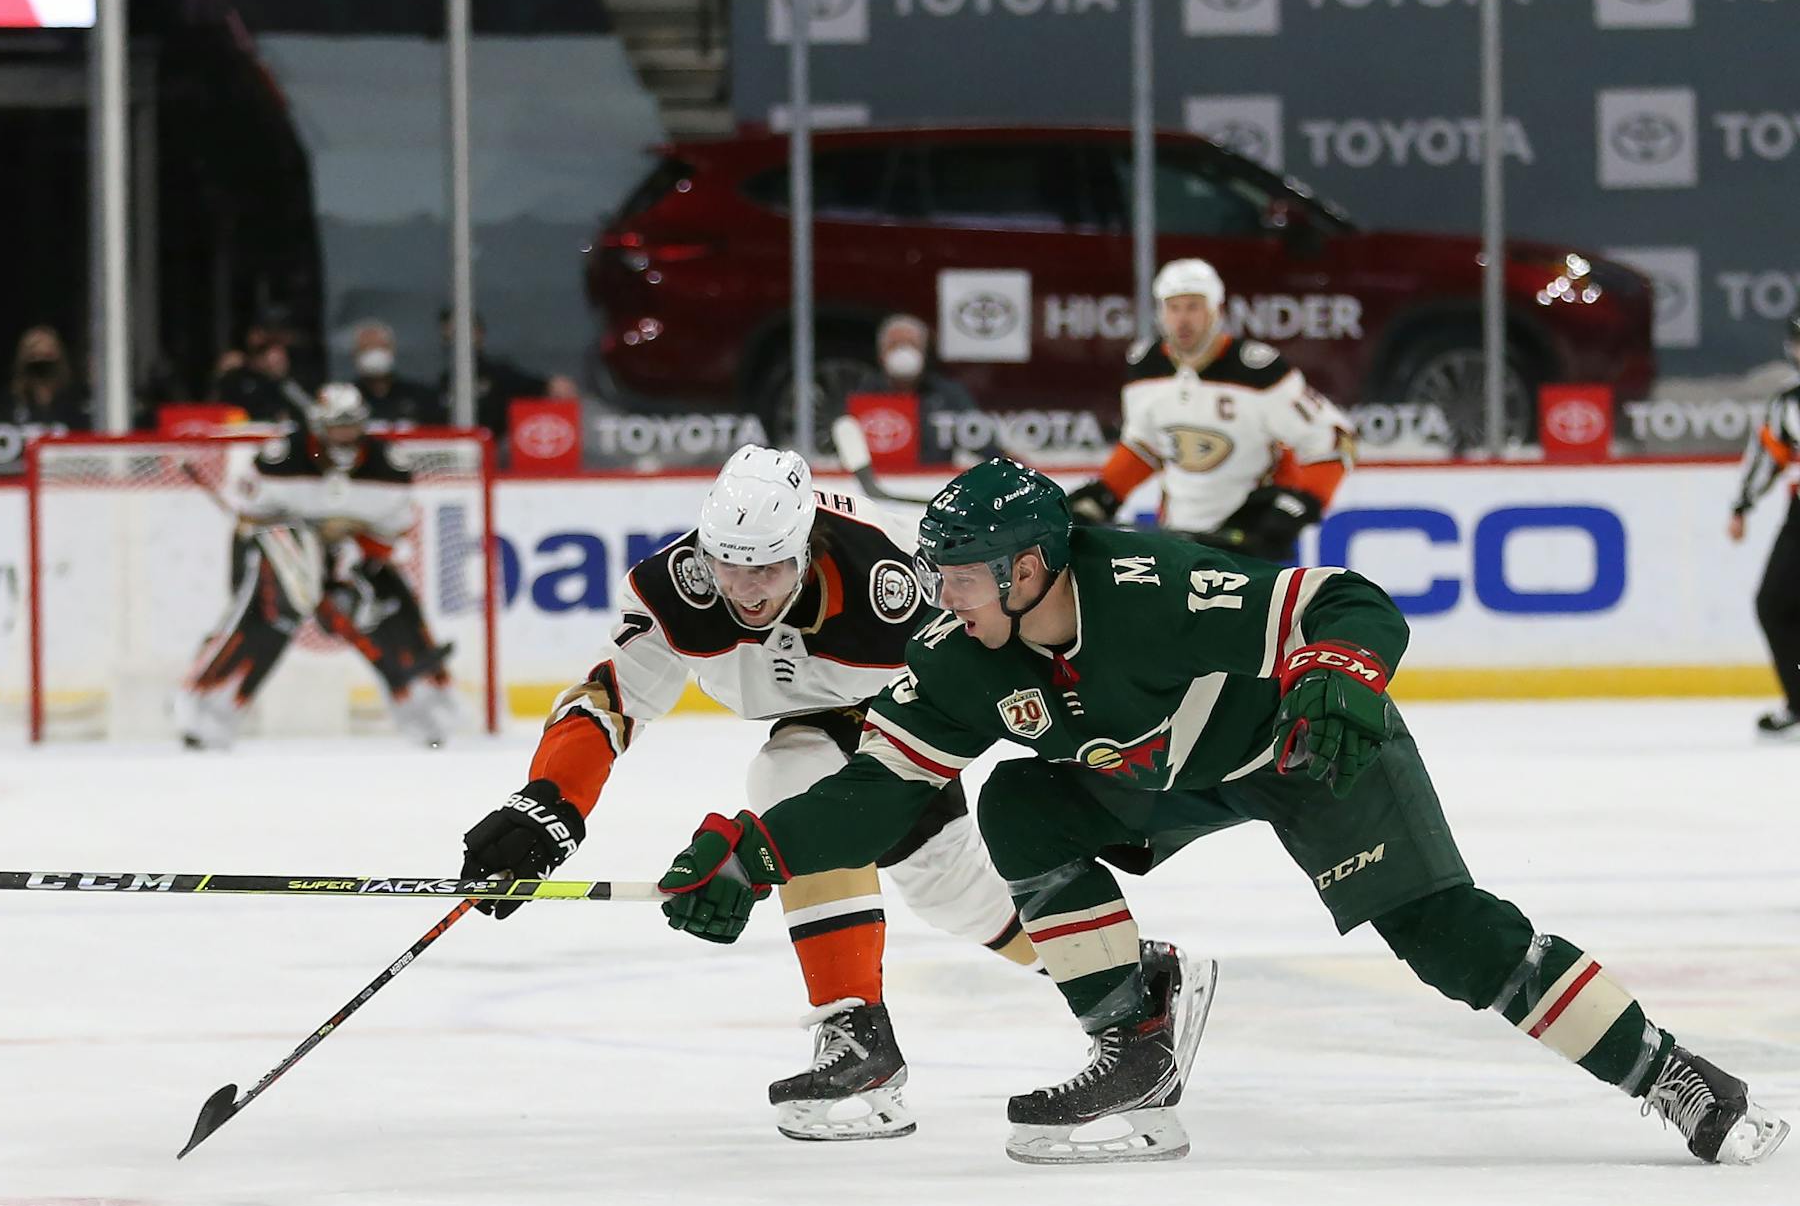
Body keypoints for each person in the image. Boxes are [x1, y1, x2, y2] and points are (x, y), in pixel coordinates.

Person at [656, 456, 1789, 1168]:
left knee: (1449, 938)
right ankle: (1133, 1043)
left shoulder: (1151, 587)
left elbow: (1344, 600)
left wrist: (1341, 671)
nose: (938, 598)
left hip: (1307, 747)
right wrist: (763, 850)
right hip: (1165, 774)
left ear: (1033, 566)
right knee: (1017, 801)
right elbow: (881, 785)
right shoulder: (961, 653)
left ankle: (1675, 1073)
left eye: (960, 575)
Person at [458, 445, 1040, 1141]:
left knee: (816, 794)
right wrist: (550, 803)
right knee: (946, 889)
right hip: (817, 720)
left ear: (805, 547)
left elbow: (997, 672)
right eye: (729, 564)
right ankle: (1115, 975)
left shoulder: (889, 581)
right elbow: (613, 698)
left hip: (907, 716)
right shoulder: (674, 585)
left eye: (768, 567)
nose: (748, 589)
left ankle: (875, 1032)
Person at [172, 383, 460, 750]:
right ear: (318, 426)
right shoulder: (281, 458)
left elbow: (392, 534)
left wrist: (349, 546)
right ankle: (207, 712)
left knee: (390, 605)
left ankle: (427, 713)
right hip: (282, 554)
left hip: (354, 552)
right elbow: (249, 521)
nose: (345, 434)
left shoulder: (388, 465)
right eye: (337, 424)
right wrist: (301, 540)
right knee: (270, 616)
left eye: (352, 423)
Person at [1069, 259, 1354, 563]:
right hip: (1176, 542)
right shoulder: (1146, 369)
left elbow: (1334, 440)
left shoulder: (1259, 373)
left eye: (1193, 307)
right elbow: (1145, 446)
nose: (1183, 320)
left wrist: (1293, 509)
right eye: (1173, 307)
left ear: (1217, 310)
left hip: (1246, 543)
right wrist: (1105, 493)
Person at [1726, 314, 1800, 740]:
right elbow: (1769, 456)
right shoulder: (1788, 403)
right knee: (1774, 603)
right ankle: (1799, 701)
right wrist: (1743, 505)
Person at [437, 309, 577, 442]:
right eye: (449, 336)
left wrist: (551, 385)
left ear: (478, 333)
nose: (454, 341)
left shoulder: (499, 375)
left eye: (460, 334)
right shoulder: (444, 382)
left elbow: (544, 387)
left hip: (496, 456)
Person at [864, 312, 975, 421]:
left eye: (911, 344)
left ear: (924, 353)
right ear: (881, 355)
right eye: (895, 345)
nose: (904, 352)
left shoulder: (950, 395)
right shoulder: (865, 393)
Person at [212, 323, 316, 429]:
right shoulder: (237, 379)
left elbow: (310, 409)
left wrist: (283, 380)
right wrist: (220, 375)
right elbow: (216, 409)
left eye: (281, 359)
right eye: (259, 351)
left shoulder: (290, 382)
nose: (277, 362)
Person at [347, 319, 441, 430]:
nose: (374, 353)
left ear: (392, 350)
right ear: (354, 354)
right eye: (366, 348)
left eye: (381, 346)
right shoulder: (347, 399)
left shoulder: (422, 396)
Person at [0, 326, 89, 431]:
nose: (41, 357)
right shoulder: (9, 404)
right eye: (34, 352)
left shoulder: (76, 403)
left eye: (48, 354)